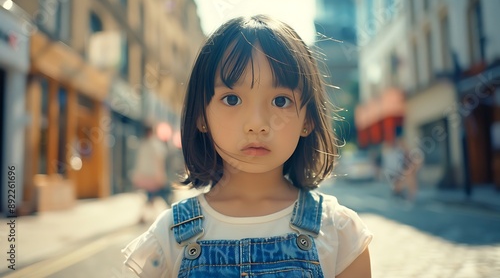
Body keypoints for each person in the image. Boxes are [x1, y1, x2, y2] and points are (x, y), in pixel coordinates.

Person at [122, 15, 372, 277]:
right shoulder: (167, 238)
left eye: (280, 101)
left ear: (307, 120)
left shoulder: (340, 232)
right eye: (231, 99)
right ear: (201, 117)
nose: (256, 124)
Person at [131, 125, 171, 224]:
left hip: (150, 176)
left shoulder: (147, 144)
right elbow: (158, 161)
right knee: (157, 196)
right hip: (151, 176)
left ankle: (145, 216)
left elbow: (143, 162)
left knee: (153, 196)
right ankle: (170, 214)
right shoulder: (152, 144)